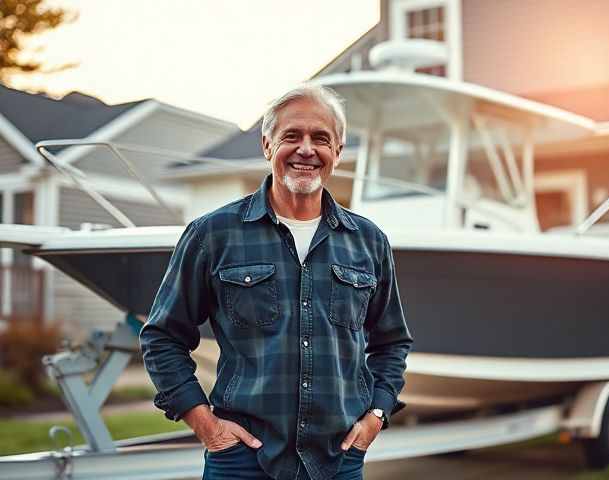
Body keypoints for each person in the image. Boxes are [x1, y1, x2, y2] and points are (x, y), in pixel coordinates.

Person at [140, 83, 413, 480]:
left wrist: (375, 415)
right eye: (292, 136)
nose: (306, 149)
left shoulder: (369, 241)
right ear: (267, 145)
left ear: (337, 151)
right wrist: (207, 426)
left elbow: (392, 342)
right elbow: (162, 337)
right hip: (241, 461)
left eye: (321, 138)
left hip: (337, 461)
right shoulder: (213, 234)